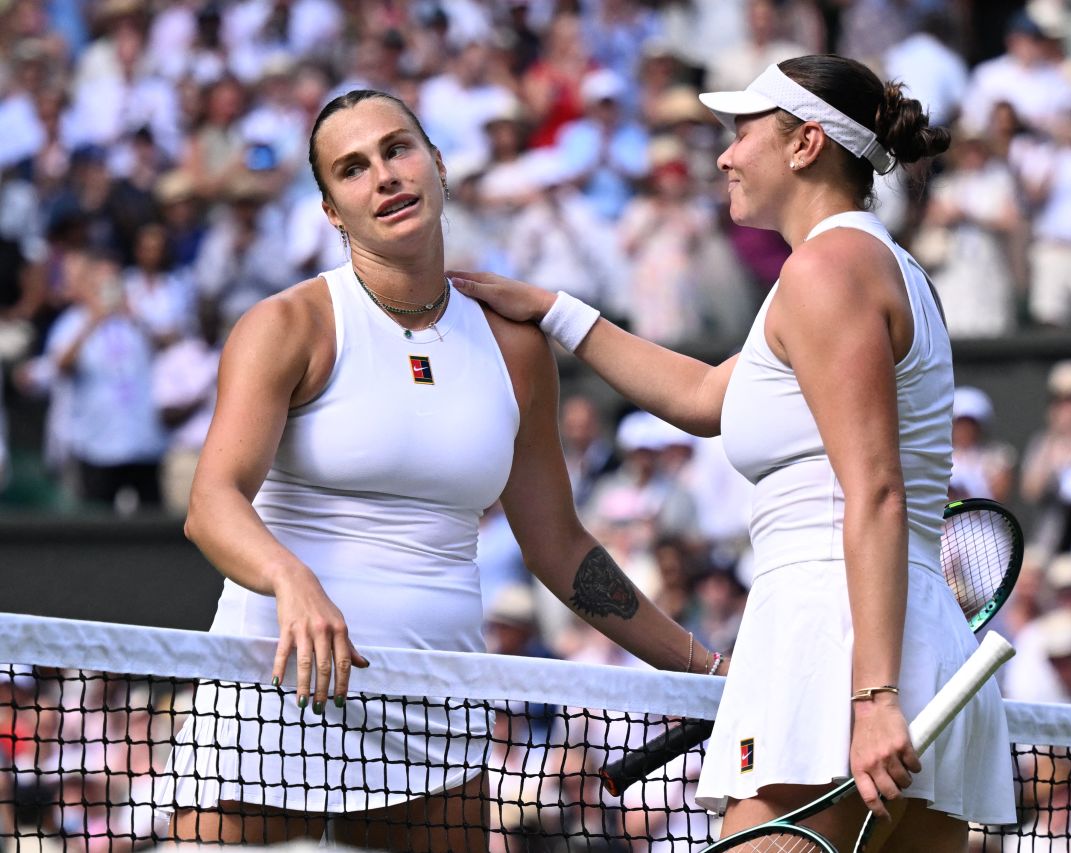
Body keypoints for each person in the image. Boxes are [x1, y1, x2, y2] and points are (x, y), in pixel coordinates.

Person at [454, 55, 1016, 851]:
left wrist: (873, 694)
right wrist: (557, 311)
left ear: (805, 145)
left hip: (845, 650)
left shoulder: (830, 269)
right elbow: (708, 397)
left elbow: (878, 491)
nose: (724, 154)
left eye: (742, 131)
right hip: (890, 645)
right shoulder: (856, 265)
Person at [158, 89, 718, 850]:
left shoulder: (516, 346)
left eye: (397, 149)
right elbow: (212, 502)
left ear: (438, 165)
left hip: (436, 717)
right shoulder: (288, 325)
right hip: (274, 699)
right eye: (352, 169)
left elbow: (560, 545)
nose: (384, 176)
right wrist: (291, 580)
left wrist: (704, 666)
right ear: (331, 211)